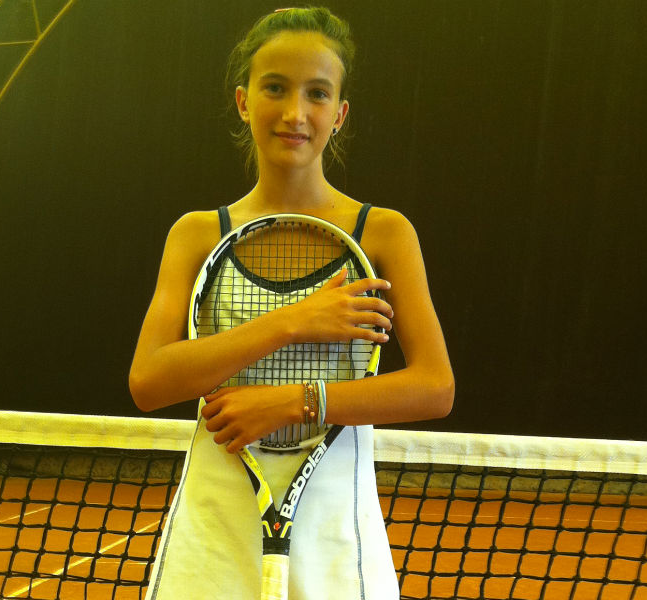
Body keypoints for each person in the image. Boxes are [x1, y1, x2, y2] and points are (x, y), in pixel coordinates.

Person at [130, 7, 454, 599]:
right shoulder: (196, 235)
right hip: (215, 526)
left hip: (336, 530)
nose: (295, 113)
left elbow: (435, 387)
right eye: (275, 88)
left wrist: (293, 401)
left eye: (317, 93)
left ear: (340, 113)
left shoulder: (385, 233)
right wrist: (293, 322)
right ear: (243, 101)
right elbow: (149, 381)